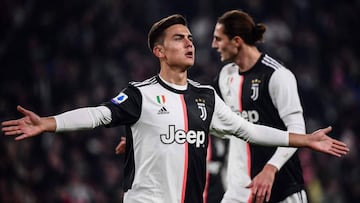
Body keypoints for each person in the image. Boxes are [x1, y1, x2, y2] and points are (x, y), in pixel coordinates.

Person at [1, 14, 348, 203]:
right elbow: (98, 114)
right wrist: (48, 123)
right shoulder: (140, 95)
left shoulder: (206, 97)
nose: (190, 42)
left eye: (190, 38)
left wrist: (304, 140)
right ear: (160, 52)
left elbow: (249, 131)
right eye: (179, 38)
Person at [211, 10, 311, 203]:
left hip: (281, 188)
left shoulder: (277, 75)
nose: (213, 45)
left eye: (218, 39)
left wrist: (270, 168)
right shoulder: (225, 76)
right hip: (239, 192)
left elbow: (297, 129)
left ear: (237, 41)